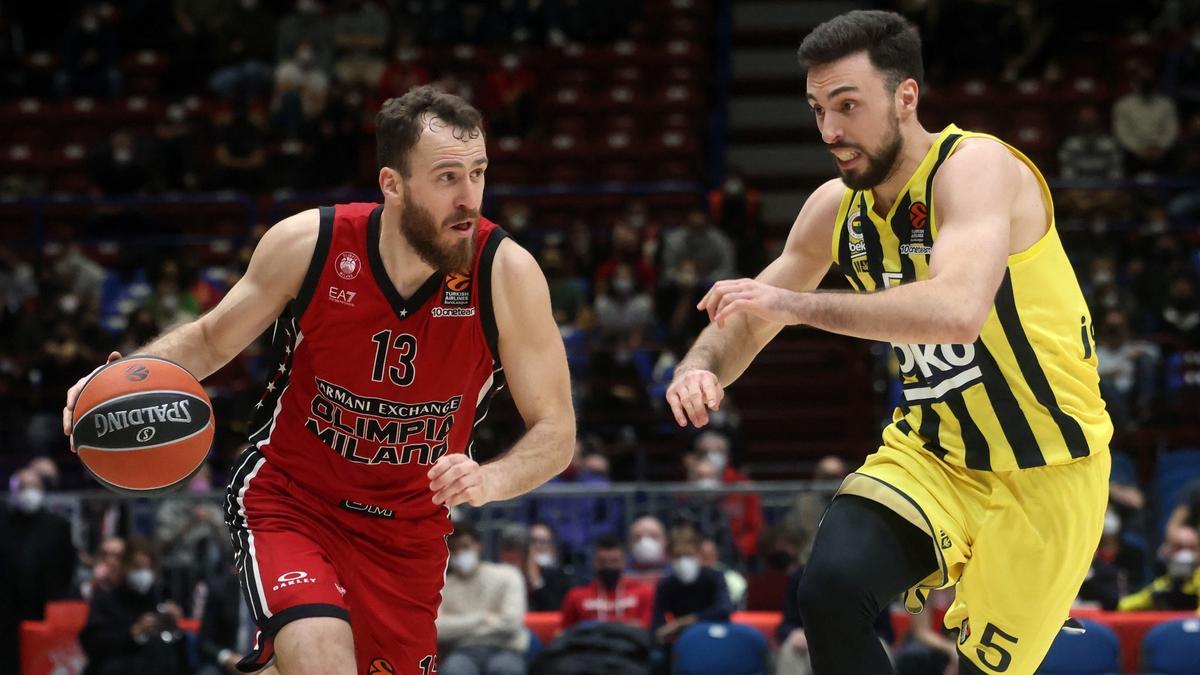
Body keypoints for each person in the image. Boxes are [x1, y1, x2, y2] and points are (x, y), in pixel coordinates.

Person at [64, 85, 575, 675]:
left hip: (406, 532)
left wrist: (490, 478)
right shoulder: (310, 244)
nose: (469, 198)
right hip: (292, 499)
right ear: (392, 184)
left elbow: (556, 431)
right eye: (447, 177)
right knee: (321, 656)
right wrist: (120, 378)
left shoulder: (506, 274)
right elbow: (209, 340)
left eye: (478, 173)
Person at [666, 11, 1111, 674]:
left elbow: (958, 311)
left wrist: (792, 306)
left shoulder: (977, 167)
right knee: (830, 587)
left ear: (906, 97)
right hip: (934, 454)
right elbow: (750, 314)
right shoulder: (834, 208)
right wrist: (699, 365)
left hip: (1048, 469)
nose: (830, 131)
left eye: (848, 106)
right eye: (818, 109)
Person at [0, 466, 77, 673]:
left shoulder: (57, 526)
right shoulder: (4, 525)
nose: (28, 492)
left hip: (46, 609)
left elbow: (68, 566)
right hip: (7, 614)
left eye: (33, 486)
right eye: (22, 487)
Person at [437, 522, 529, 675]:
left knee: (507, 670)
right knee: (453, 670)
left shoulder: (508, 575)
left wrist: (459, 626)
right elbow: (438, 630)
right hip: (461, 653)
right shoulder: (442, 587)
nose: (459, 553)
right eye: (453, 548)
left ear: (478, 546)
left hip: (505, 649)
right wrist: (481, 618)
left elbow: (511, 624)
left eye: (465, 546)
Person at [560, 535, 655, 630]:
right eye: (602, 562)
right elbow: (565, 633)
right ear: (594, 562)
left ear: (624, 562)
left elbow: (647, 630)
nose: (608, 566)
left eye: (614, 561)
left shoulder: (644, 592)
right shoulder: (576, 596)